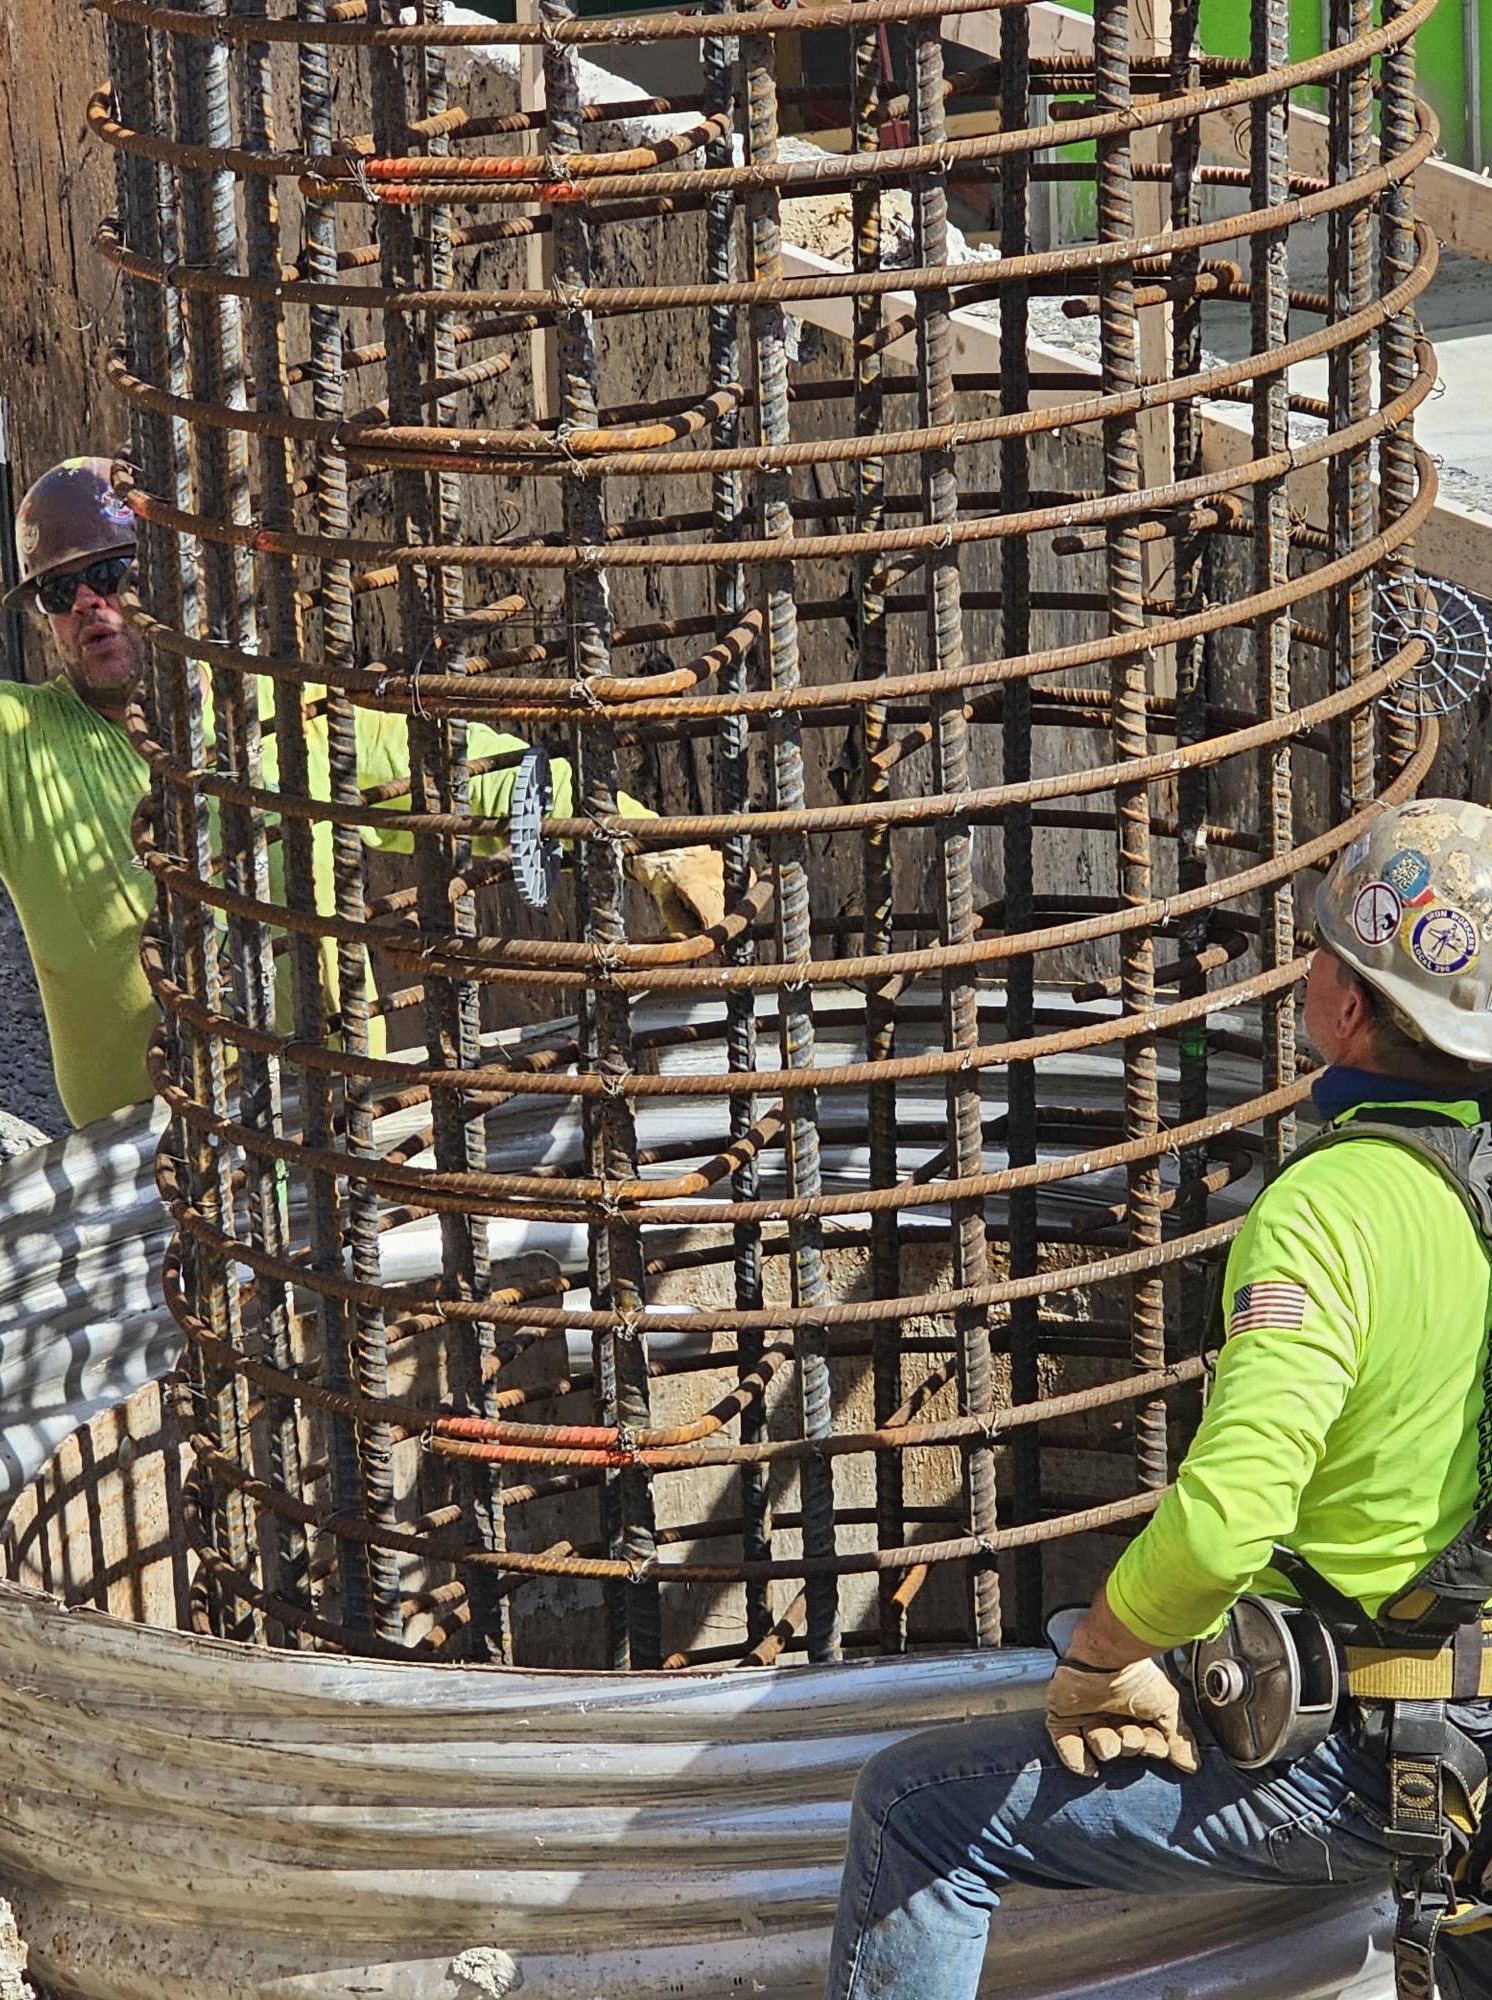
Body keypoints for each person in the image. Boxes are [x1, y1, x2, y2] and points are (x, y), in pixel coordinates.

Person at [826, 796, 1492, 2000]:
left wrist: (1101, 1650)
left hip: (1377, 1758)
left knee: (913, 1807)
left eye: (1323, 953)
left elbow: (1229, 1514)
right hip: (1474, 1738)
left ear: (1344, 1003)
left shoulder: (1329, 1211)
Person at [0, 457, 723, 1129]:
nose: (93, 604)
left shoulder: (282, 715)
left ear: (167, 576)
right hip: (150, 1149)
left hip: (332, 1108)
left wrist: (643, 840)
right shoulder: (22, 746)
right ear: (44, 616)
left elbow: (464, 771)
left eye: (116, 573)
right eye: (62, 590)